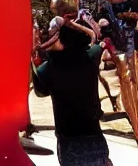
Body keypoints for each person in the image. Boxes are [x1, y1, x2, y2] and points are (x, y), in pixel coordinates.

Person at [33, 23, 112, 166]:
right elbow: (93, 37)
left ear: (61, 40)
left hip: (68, 139)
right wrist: (73, 23)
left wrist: (34, 58)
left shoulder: (48, 69)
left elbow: (40, 91)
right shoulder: (91, 57)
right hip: (93, 134)